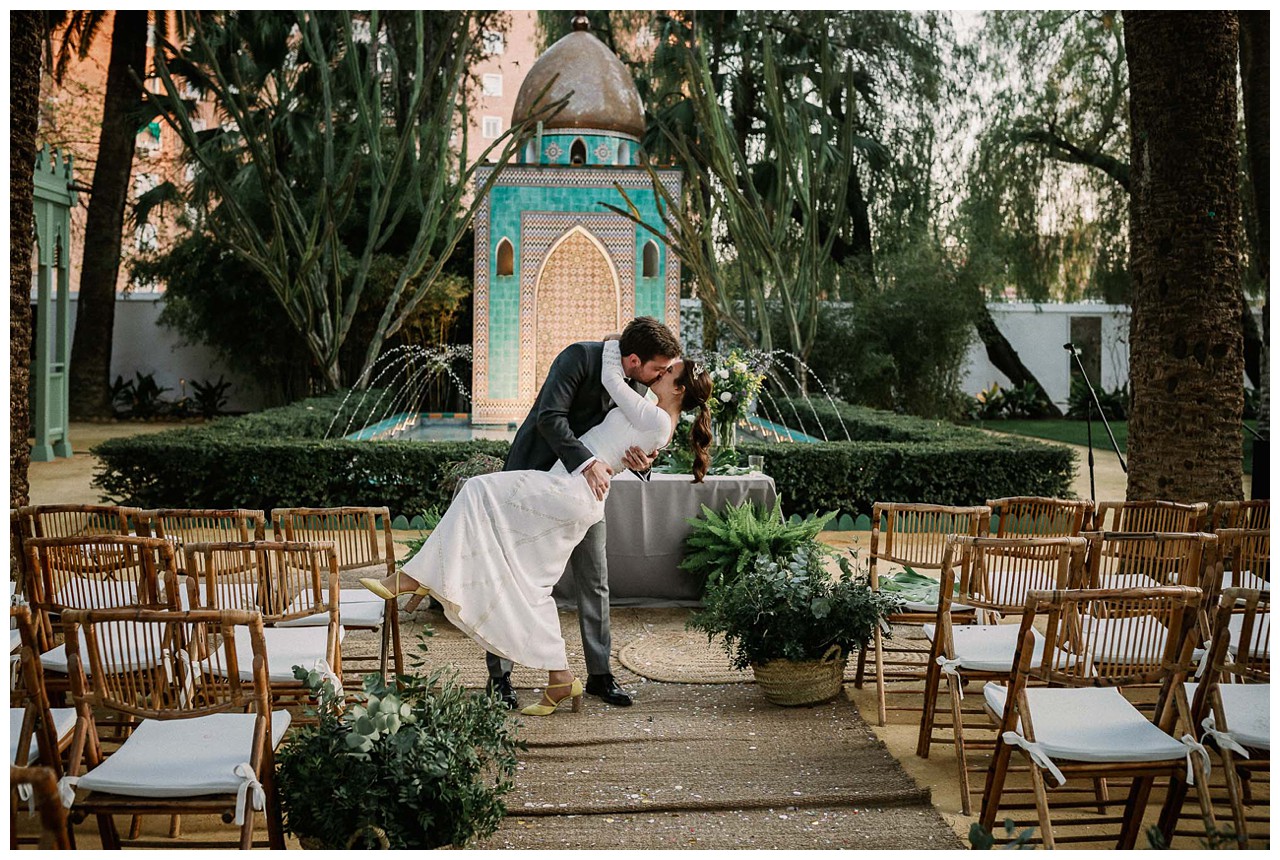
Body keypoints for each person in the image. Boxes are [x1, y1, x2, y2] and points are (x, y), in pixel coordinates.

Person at [362, 319, 713, 717]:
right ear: (634, 359)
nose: (660, 374)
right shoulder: (582, 358)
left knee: (592, 581)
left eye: (666, 372)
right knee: (524, 578)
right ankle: (518, 677)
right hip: (548, 471)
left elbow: (642, 440)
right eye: (658, 368)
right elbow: (550, 417)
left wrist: (643, 461)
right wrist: (590, 461)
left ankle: (598, 673)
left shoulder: (637, 382)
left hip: (578, 491)